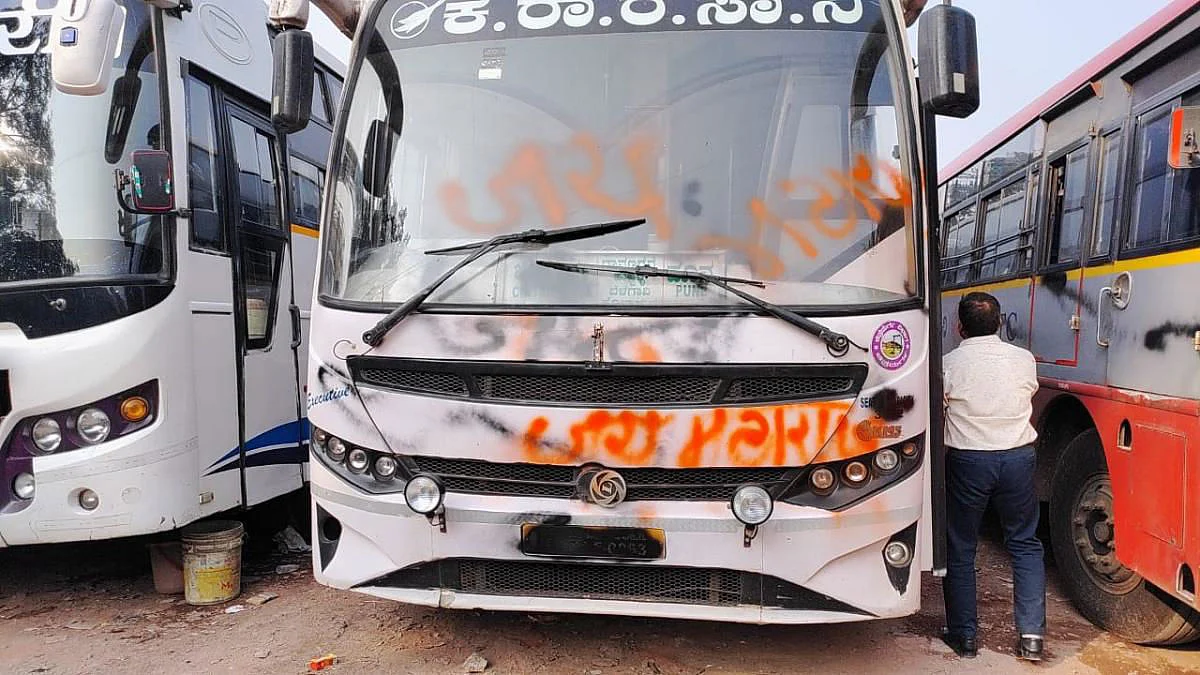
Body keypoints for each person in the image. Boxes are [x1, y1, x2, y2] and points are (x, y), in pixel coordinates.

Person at [941, 291, 1045, 661]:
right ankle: (1032, 636)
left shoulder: (949, 364)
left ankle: (964, 636)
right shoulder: (1024, 359)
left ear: (959, 327)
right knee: (1025, 543)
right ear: (1000, 323)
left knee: (961, 545)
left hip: (969, 460)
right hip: (1018, 459)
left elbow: (942, 408)